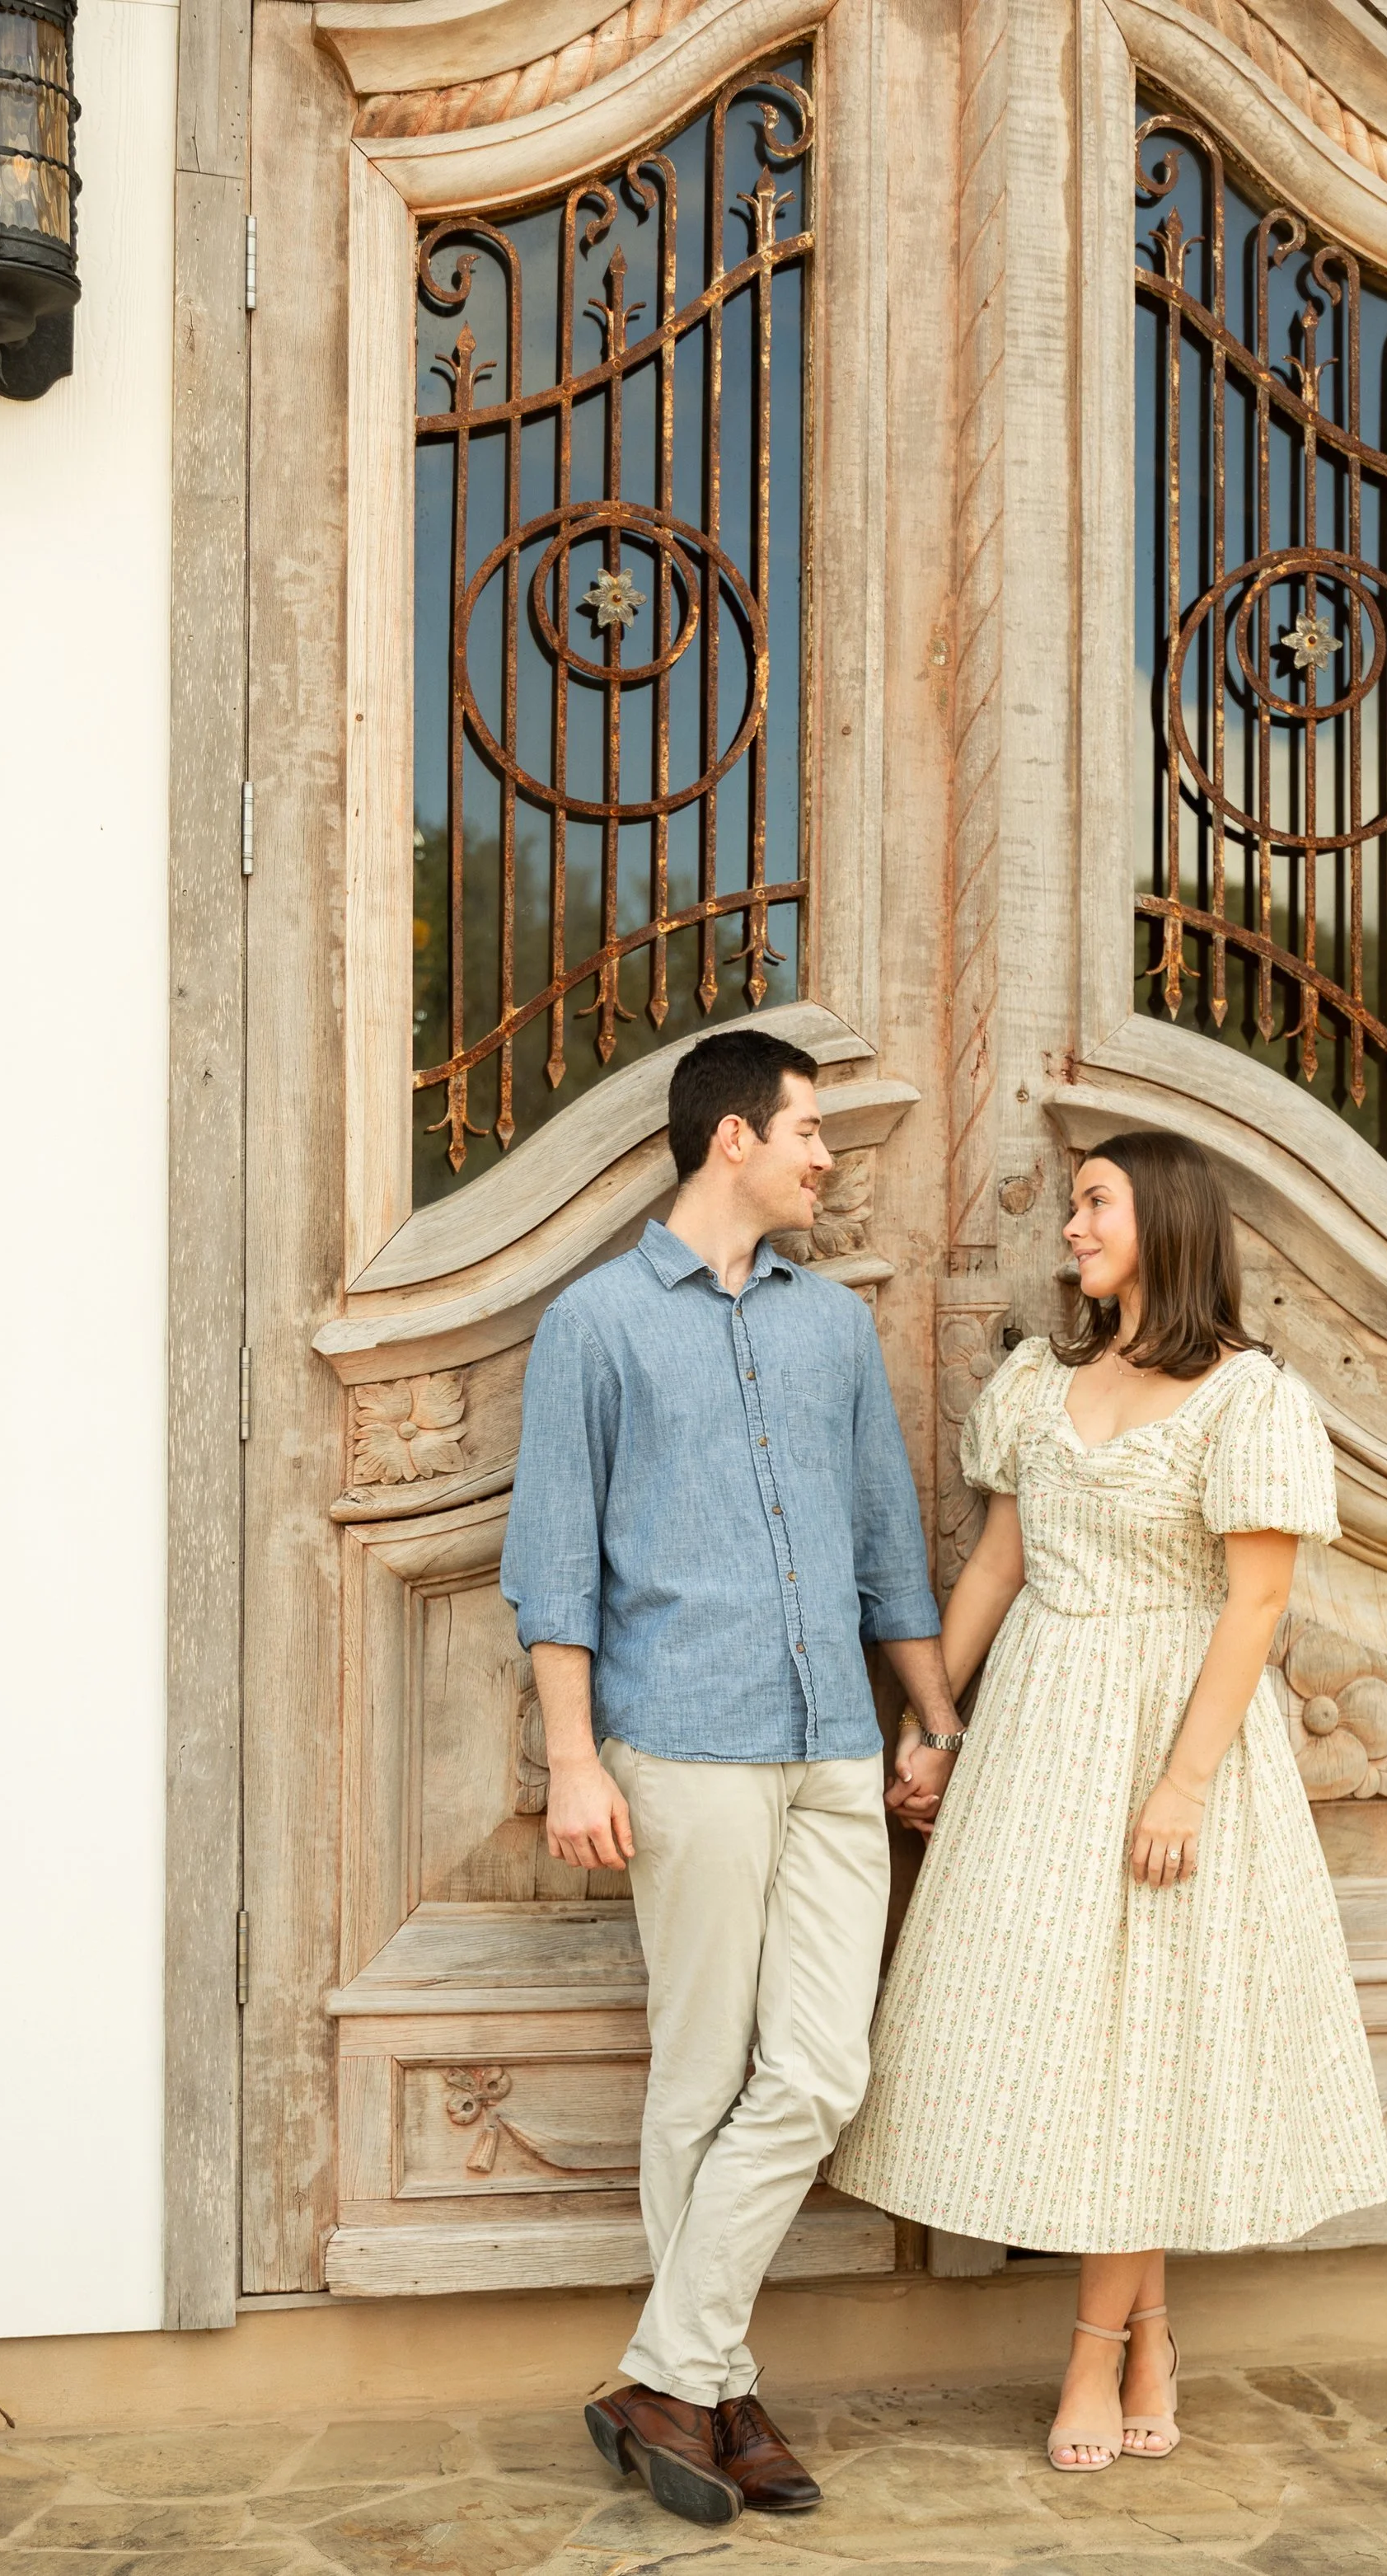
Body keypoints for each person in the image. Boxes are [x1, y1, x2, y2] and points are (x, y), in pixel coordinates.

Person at [828, 1128, 1387, 2472]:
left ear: (1168, 1222)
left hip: (1173, 1736)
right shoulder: (1043, 1378)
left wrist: (1184, 1786)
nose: (1072, 1228)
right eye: (1076, 1206)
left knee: (1144, 2039)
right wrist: (933, 1723)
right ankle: (1148, 2336)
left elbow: (1258, 1603)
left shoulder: (1249, 1398)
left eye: (1095, 1205)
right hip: (1037, 1732)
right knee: (1065, 2038)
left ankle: (1096, 2354)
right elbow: (992, 1571)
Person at [500, 1025, 960, 2529]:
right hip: (679, 1742)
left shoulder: (832, 1330)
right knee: (702, 2076)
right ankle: (717, 2382)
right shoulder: (598, 1326)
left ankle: (666, 2373)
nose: (829, 1156)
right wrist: (574, 1759)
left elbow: (888, 1543)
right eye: (811, 1129)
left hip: (833, 1738)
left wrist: (929, 1719)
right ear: (732, 1142)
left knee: (821, 2070)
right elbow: (553, 1565)